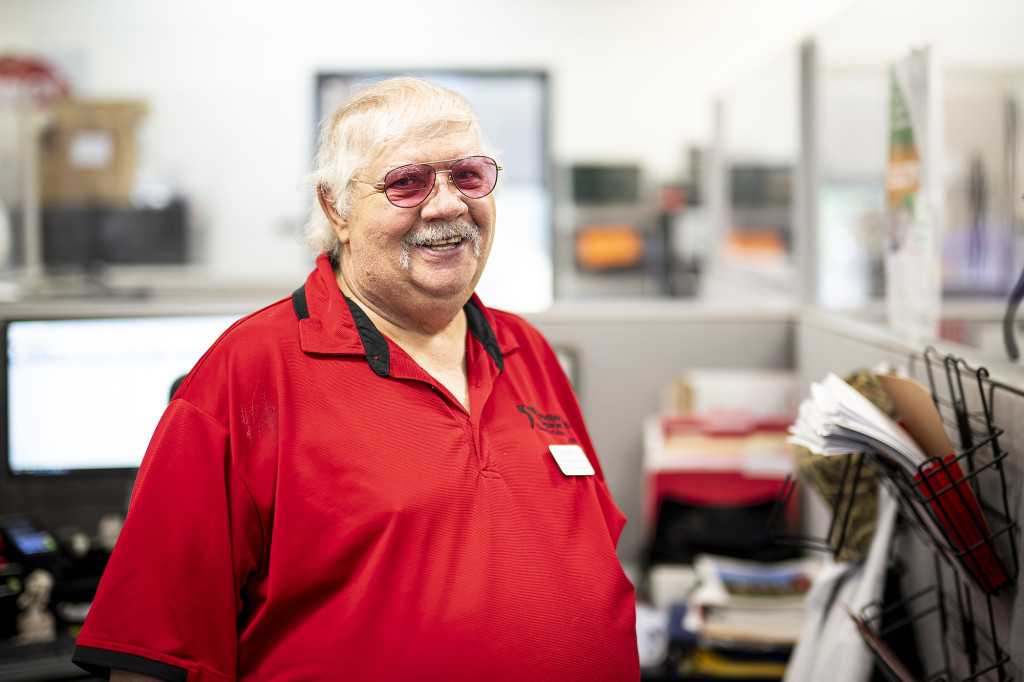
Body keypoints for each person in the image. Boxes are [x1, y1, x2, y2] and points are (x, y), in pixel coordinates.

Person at [72, 77, 640, 681]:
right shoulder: (249, 372)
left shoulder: (527, 351)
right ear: (335, 207)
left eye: (469, 176)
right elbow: (154, 652)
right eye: (407, 182)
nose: (448, 204)